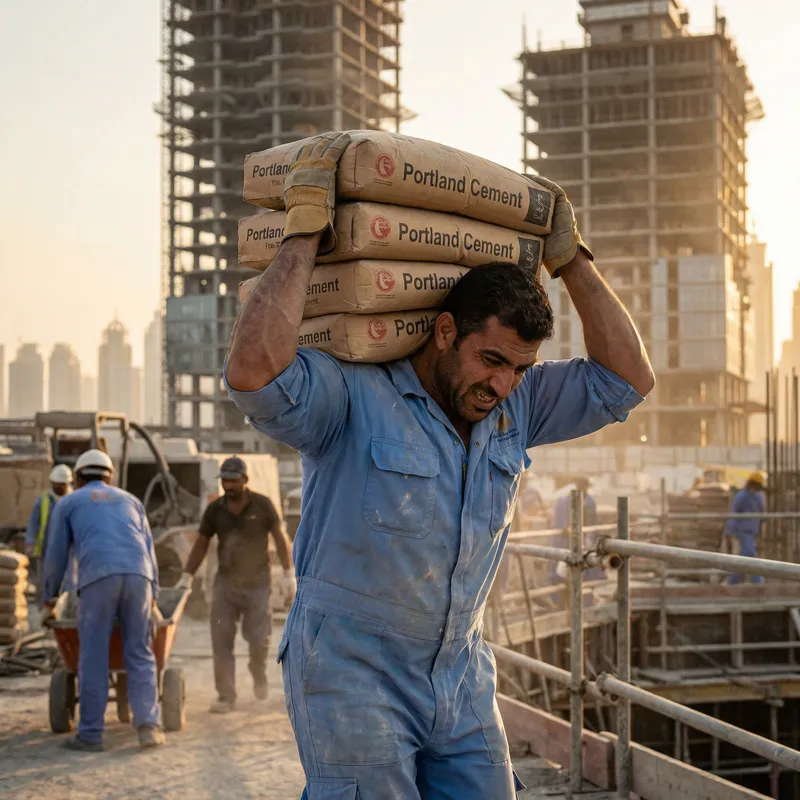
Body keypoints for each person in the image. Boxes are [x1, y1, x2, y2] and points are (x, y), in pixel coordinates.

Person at [224, 132, 655, 799]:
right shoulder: (353, 392)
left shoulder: (519, 405)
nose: (504, 384)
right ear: (447, 332)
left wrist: (572, 260)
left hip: (459, 674)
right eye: (492, 361)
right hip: (350, 675)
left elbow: (628, 378)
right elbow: (252, 370)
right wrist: (305, 228)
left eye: (521, 368)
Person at [41, 449, 163, 751]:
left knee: (93, 656)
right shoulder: (131, 500)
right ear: (110, 476)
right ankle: (149, 727)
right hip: (140, 577)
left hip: (99, 577)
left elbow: (55, 557)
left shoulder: (69, 502)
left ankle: (91, 734)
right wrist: (155, 598)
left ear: (79, 477)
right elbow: (149, 548)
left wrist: (49, 599)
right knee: (140, 651)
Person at [176, 456, 294, 714]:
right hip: (226, 585)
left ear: (245, 480)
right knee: (221, 638)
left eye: (233, 480)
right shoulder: (216, 510)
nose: (229, 485)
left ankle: (258, 671)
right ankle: (226, 696)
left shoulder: (262, 505)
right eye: (225, 481)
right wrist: (187, 575)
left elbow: (280, 538)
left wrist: (288, 574)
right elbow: (202, 543)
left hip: (258, 585)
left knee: (259, 639)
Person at [25, 463, 72, 608]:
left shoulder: (73, 499)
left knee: (66, 579)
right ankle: (43, 608)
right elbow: (34, 521)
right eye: (57, 484)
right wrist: (30, 541)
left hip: (66, 547)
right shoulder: (44, 499)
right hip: (46, 546)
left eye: (62, 484)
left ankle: (62, 608)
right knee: (44, 580)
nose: (60, 487)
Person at [726, 472, 767, 585]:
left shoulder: (758, 497)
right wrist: (729, 532)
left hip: (753, 532)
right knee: (750, 556)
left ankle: (733, 583)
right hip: (742, 532)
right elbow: (733, 515)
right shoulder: (741, 496)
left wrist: (761, 531)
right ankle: (757, 583)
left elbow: (762, 514)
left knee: (743, 559)